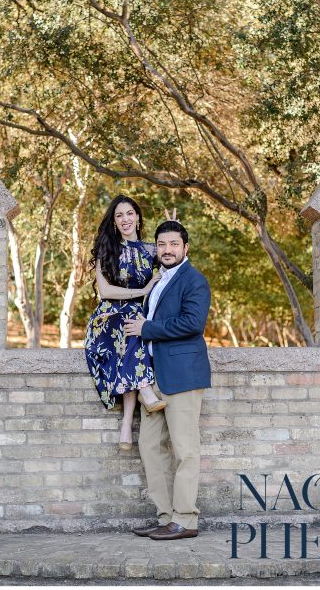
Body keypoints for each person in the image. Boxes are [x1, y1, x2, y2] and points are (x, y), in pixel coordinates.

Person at [124, 219, 211, 540]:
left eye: (174, 244)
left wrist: (147, 328)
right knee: (149, 447)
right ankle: (166, 516)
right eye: (162, 244)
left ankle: (186, 519)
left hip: (183, 376)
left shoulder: (194, 280)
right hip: (153, 378)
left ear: (185, 248)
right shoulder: (157, 279)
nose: (167, 250)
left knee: (185, 449)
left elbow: (193, 323)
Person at [84, 195, 167, 450]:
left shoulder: (149, 250)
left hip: (132, 319)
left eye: (129, 213)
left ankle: (126, 425)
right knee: (130, 323)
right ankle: (144, 389)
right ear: (114, 221)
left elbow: (175, 256)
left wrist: (171, 228)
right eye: (119, 215)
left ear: (138, 217)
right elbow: (106, 291)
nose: (125, 219)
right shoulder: (106, 249)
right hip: (107, 318)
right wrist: (142, 290)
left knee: (134, 331)